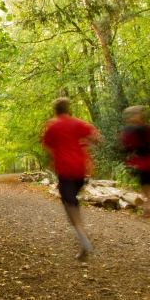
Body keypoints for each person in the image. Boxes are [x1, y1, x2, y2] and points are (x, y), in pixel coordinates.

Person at [41, 97, 102, 260]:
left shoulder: (52, 126)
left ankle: (83, 239)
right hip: (81, 170)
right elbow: (97, 138)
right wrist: (84, 146)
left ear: (55, 111)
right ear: (68, 109)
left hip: (65, 170)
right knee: (72, 201)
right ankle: (83, 240)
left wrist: (55, 158)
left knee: (69, 203)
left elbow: (47, 147)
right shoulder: (79, 123)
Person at [117, 105, 150, 215]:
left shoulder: (133, 129)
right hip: (144, 160)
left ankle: (147, 205)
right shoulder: (132, 130)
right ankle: (147, 205)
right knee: (145, 182)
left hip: (144, 160)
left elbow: (125, 148)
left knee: (145, 182)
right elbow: (125, 148)